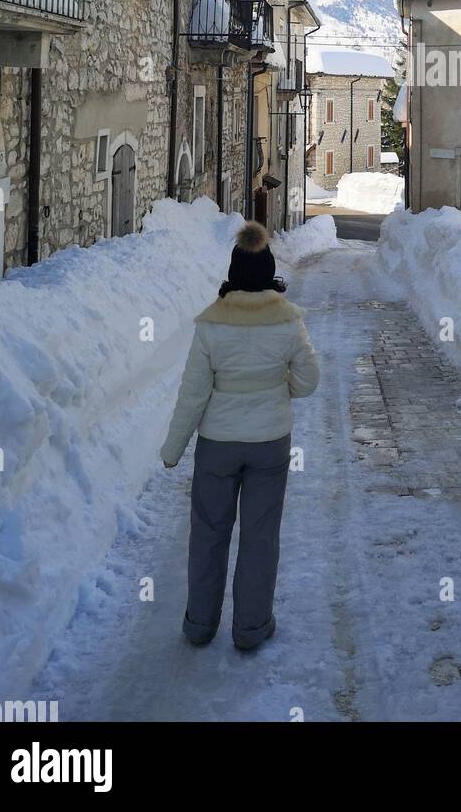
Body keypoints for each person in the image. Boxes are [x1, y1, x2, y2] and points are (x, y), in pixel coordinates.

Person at [160, 221, 319, 651]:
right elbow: (308, 381)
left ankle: (200, 624)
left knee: (209, 532)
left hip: (217, 446)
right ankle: (251, 628)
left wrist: (173, 449)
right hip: (270, 443)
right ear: (269, 272)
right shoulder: (288, 322)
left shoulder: (211, 324)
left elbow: (193, 395)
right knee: (260, 535)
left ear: (233, 272)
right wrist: (275, 387)